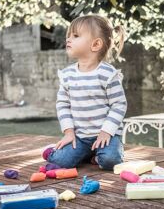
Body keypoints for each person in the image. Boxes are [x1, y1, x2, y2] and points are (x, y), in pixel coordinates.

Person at [42, 14, 127, 170]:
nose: (68, 39)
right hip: (80, 137)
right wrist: (69, 132)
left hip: (107, 135)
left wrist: (106, 132)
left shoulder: (108, 74)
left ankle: (98, 154)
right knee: (60, 161)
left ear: (95, 45)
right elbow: (63, 104)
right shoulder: (67, 75)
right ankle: (62, 152)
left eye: (75, 36)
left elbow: (119, 105)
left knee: (111, 160)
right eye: (69, 35)